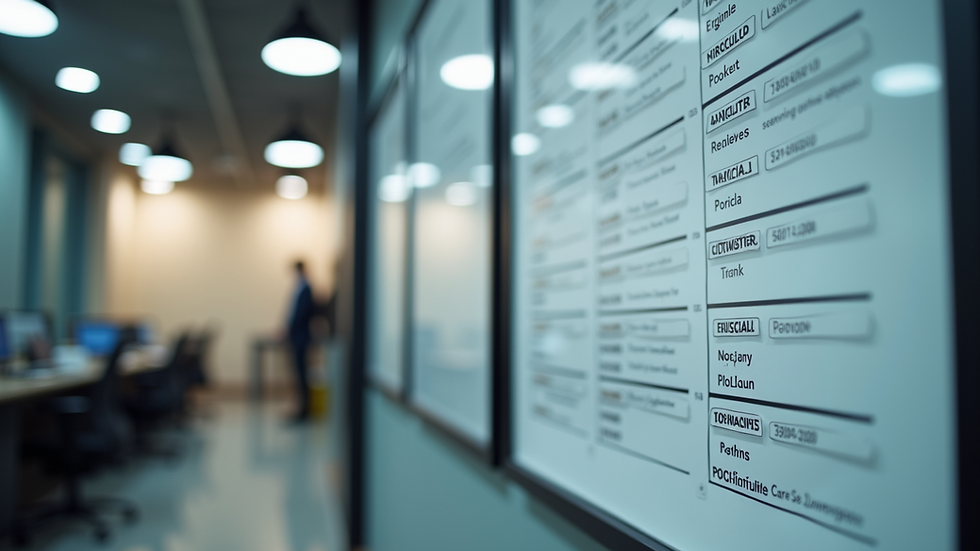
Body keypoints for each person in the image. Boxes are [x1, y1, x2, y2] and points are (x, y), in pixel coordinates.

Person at [285, 260, 315, 422]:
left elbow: (300, 314)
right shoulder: (299, 288)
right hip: (296, 336)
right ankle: (301, 408)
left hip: (301, 337)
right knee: (298, 373)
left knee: (302, 373)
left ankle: (305, 410)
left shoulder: (306, 288)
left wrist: (289, 330)